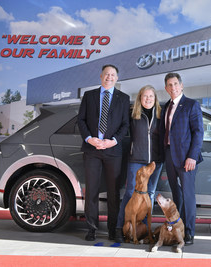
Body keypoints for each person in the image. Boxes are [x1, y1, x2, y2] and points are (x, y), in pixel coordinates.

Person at [77, 64, 130, 241]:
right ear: (101, 76)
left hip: (113, 151)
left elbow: (125, 125)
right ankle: (91, 228)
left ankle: (113, 229)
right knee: (91, 190)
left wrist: (112, 141)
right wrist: (89, 139)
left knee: (113, 193)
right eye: (106, 74)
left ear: (117, 78)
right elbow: (81, 120)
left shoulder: (123, 98)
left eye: (113, 74)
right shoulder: (89, 96)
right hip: (92, 150)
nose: (109, 77)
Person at [114, 85, 164, 243]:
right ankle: (119, 228)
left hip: (155, 161)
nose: (148, 99)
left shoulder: (161, 114)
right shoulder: (132, 113)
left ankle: (141, 230)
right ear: (140, 98)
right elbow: (119, 127)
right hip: (136, 159)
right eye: (145, 96)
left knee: (149, 194)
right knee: (130, 193)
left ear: (155, 98)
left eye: (151, 96)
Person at [160, 72, 204, 245]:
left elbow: (198, 132)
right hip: (170, 155)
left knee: (188, 195)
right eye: (170, 85)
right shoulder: (166, 107)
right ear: (166, 88)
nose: (173, 88)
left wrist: (192, 156)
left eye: (176, 84)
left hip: (186, 158)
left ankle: (190, 232)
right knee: (176, 195)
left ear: (182, 85)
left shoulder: (191, 105)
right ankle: (179, 228)